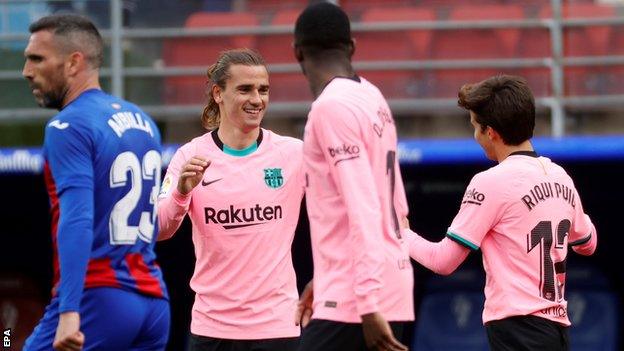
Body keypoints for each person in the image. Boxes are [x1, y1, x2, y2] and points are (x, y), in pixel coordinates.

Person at [404, 75, 597, 350]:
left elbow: (443, 261)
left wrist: (401, 234)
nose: (475, 136)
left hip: (517, 330)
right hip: (557, 330)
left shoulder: (489, 181)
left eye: (475, 127)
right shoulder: (561, 177)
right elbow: (588, 244)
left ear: (491, 132)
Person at [22, 14, 169, 351]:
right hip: (154, 303)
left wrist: (69, 310)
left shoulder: (67, 126)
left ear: (74, 62)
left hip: (97, 299)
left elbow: (77, 218)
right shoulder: (144, 122)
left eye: (37, 59)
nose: (27, 71)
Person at [157, 48, 304, 351]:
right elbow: (159, 229)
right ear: (218, 94)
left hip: (276, 328)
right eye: (245, 89)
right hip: (212, 329)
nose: (257, 99)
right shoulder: (189, 156)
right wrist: (183, 191)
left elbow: (341, 205)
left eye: (263, 90)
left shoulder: (293, 154)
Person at [292, 3, 413, 351]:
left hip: (359, 299)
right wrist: (327, 277)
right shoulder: (372, 96)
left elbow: (363, 206)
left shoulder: (331, 107)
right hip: (385, 281)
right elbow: (397, 205)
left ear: (296, 51)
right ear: (353, 46)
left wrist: (366, 299)